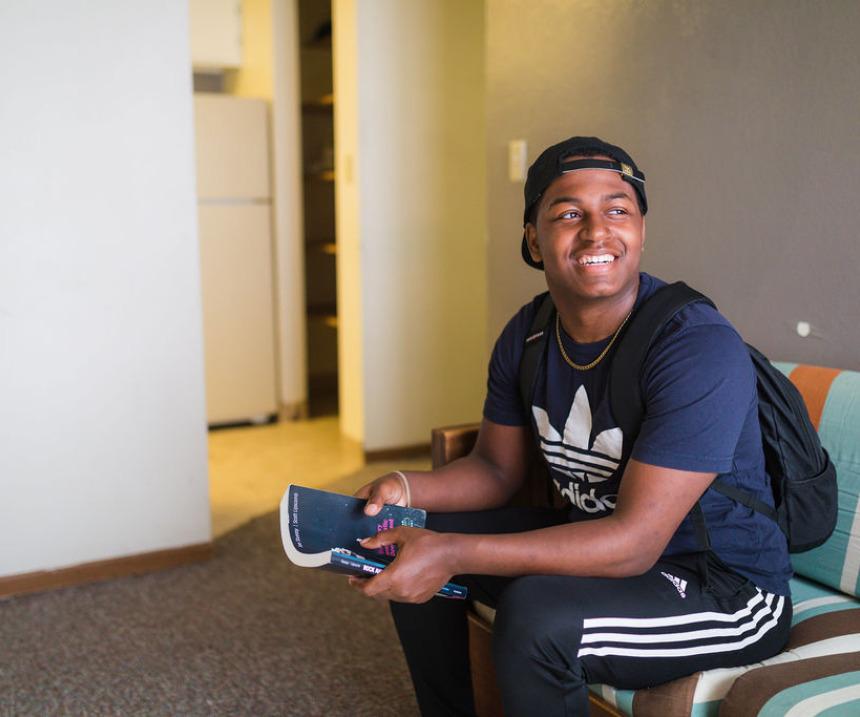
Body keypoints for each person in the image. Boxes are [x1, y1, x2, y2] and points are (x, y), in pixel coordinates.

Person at [350, 136, 793, 716]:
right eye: (567, 213)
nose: (595, 231)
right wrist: (404, 490)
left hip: (723, 588)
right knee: (410, 534)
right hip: (606, 552)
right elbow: (494, 470)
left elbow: (633, 543)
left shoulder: (695, 345)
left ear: (641, 229)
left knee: (537, 615)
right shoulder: (530, 334)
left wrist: (454, 552)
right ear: (533, 237)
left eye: (617, 209)